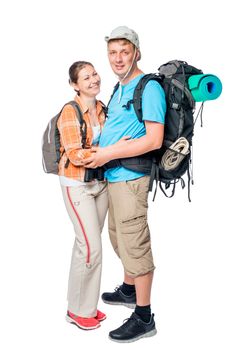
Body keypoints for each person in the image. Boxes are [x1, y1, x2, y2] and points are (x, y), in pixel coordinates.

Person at [82, 26, 166, 342]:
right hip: (115, 177)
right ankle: (130, 289)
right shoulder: (120, 88)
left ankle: (144, 318)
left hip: (132, 178)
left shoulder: (149, 88)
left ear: (137, 53)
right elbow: (119, 129)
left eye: (124, 51)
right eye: (113, 52)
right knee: (119, 236)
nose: (118, 58)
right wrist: (97, 148)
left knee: (135, 242)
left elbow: (154, 139)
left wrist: (110, 153)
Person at [57, 61, 108, 330]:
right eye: (86, 77)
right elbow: (75, 153)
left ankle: (85, 304)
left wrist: (108, 153)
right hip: (77, 185)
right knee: (91, 248)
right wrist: (105, 154)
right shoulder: (70, 111)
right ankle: (77, 310)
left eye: (95, 74)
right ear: (75, 85)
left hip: (100, 183)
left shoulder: (102, 109)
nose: (93, 80)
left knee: (86, 247)